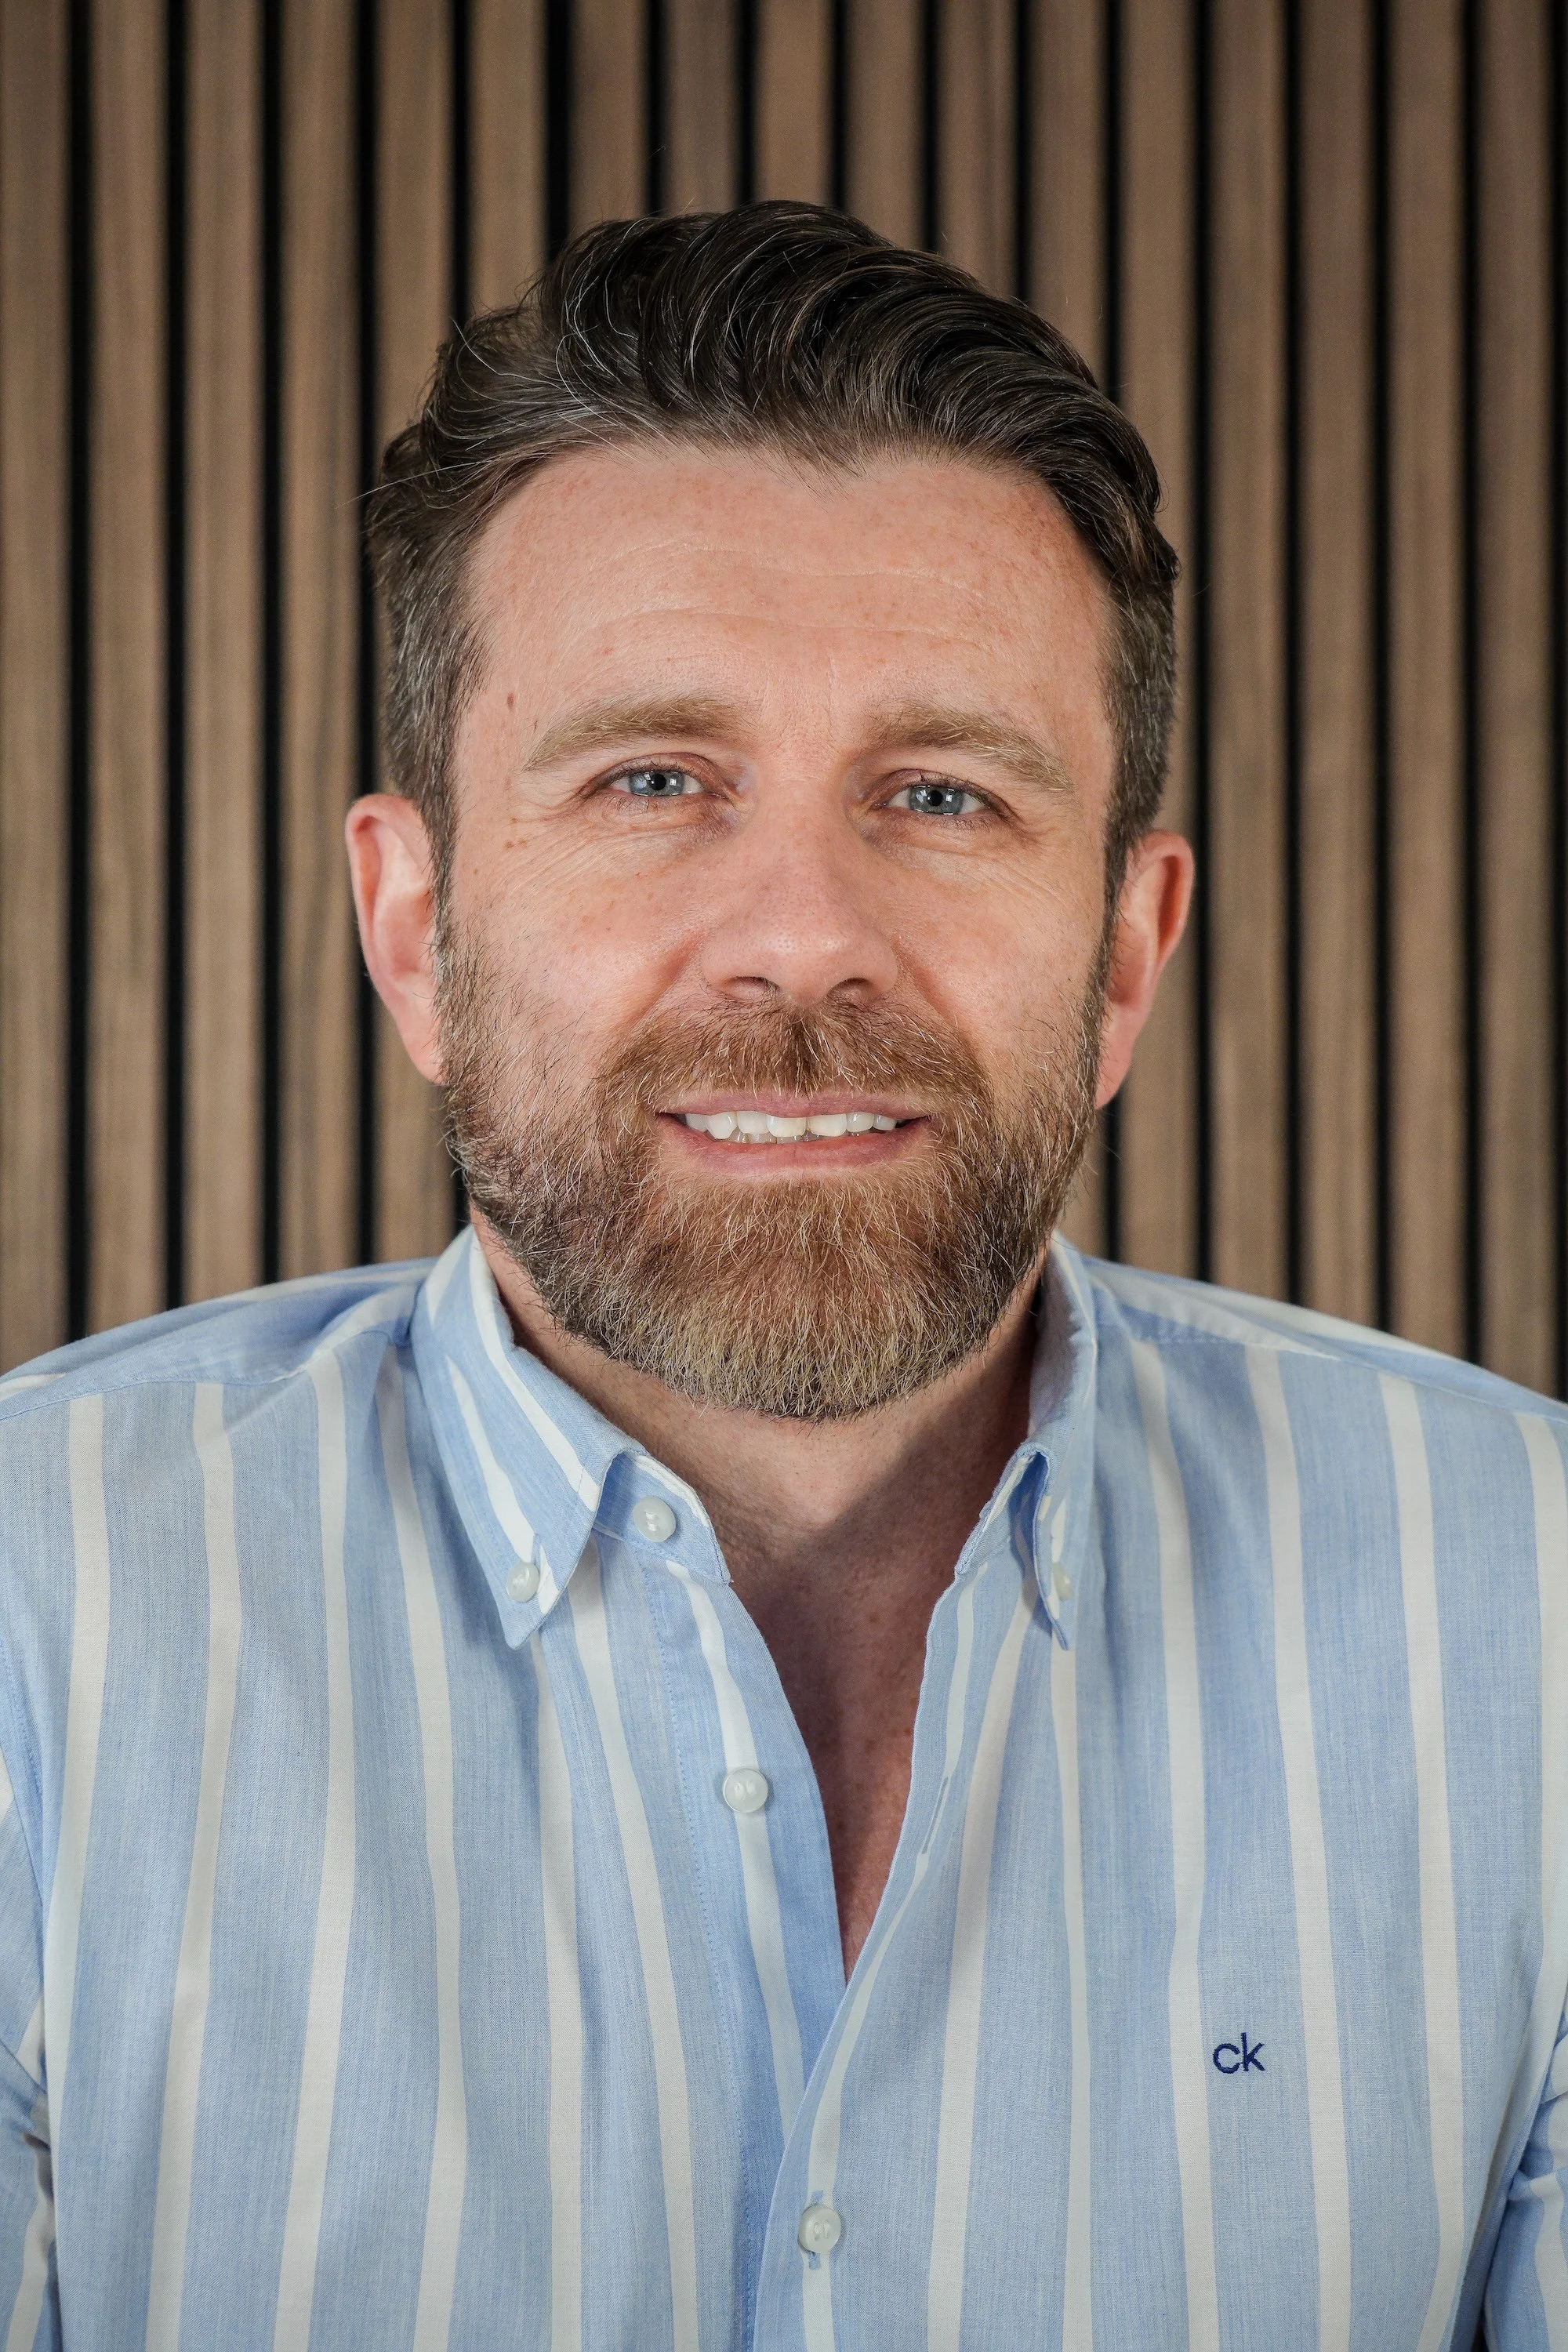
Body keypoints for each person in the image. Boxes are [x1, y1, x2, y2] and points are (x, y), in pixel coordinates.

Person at [0, 202, 1561, 2352]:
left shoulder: (1535, 1612)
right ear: (415, 928)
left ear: (1125, 954)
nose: (804, 937)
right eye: (654, 780)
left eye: (941, 793)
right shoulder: (34, 1620)